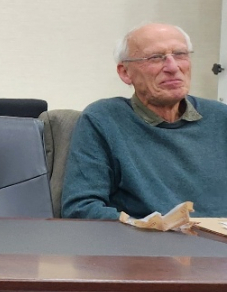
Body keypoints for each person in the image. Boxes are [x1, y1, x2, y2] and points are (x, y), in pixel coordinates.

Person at [60, 23, 227, 219]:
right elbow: (80, 208)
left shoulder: (220, 117)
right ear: (125, 72)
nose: (173, 67)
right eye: (156, 58)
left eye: (180, 54)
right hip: (147, 244)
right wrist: (146, 228)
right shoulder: (103, 119)